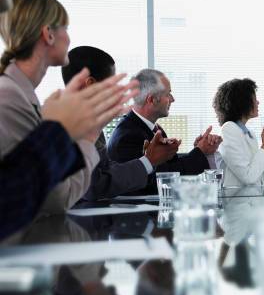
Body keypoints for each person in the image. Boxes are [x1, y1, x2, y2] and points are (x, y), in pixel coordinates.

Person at [0, 0, 138, 237]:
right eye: (65, 28)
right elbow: (56, 198)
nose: (69, 38)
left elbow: (59, 194)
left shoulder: (24, 95)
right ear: (48, 34)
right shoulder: (9, 97)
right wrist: (89, 132)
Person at [61, 46, 178, 200]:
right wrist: (148, 161)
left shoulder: (86, 120)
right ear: (90, 84)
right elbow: (95, 185)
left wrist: (148, 160)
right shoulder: (72, 123)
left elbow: (104, 171)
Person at [107, 68, 221, 194]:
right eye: (168, 94)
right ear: (151, 100)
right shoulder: (128, 136)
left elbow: (171, 167)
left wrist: (198, 149)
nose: (173, 99)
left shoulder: (152, 128)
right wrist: (200, 151)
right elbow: (161, 180)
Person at [213, 78, 264, 187]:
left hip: (250, 199)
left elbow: (258, 179)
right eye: (254, 98)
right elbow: (248, 177)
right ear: (242, 102)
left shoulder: (250, 134)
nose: (258, 102)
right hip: (236, 202)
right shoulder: (228, 129)